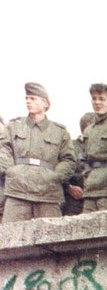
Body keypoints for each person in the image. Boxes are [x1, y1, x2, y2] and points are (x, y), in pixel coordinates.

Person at [0, 83, 76, 223]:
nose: (28, 101)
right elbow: (3, 150)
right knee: (11, 238)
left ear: (45, 104)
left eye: (33, 98)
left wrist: (55, 177)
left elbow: (69, 160)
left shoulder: (59, 132)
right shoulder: (14, 126)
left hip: (47, 193)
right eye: (27, 98)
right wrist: (11, 170)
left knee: (51, 237)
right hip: (17, 191)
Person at [79, 85, 107, 213]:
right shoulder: (88, 130)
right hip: (90, 189)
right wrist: (86, 174)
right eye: (94, 99)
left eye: (102, 99)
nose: (97, 102)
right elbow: (84, 157)